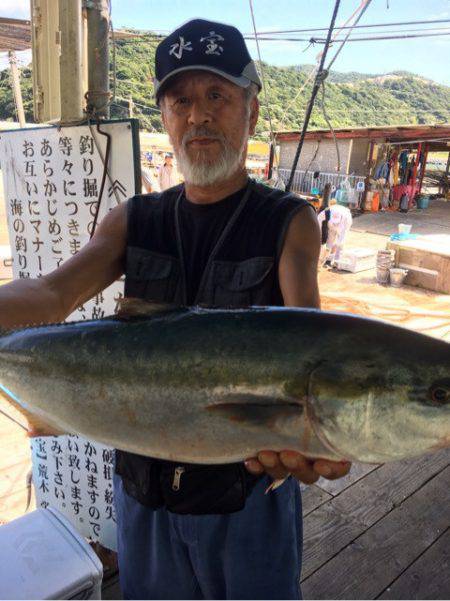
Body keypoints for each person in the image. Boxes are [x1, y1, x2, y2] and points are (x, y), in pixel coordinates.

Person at [0, 18, 350, 600]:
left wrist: (312, 436)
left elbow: (308, 341)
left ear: (252, 112)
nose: (199, 116)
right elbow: (50, 296)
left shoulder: (289, 221)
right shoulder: (134, 219)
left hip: (248, 497)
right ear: (164, 116)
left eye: (218, 96)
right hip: (145, 493)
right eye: (181, 100)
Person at [317, 197, 353, 266]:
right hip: (331, 227)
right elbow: (319, 218)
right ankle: (327, 258)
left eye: (336, 223)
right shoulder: (328, 212)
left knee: (340, 244)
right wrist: (319, 232)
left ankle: (337, 261)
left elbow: (342, 238)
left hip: (342, 227)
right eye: (334, 222)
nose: (335, 223)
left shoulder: (346, 219)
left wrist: (337, 244)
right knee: (329, 241)